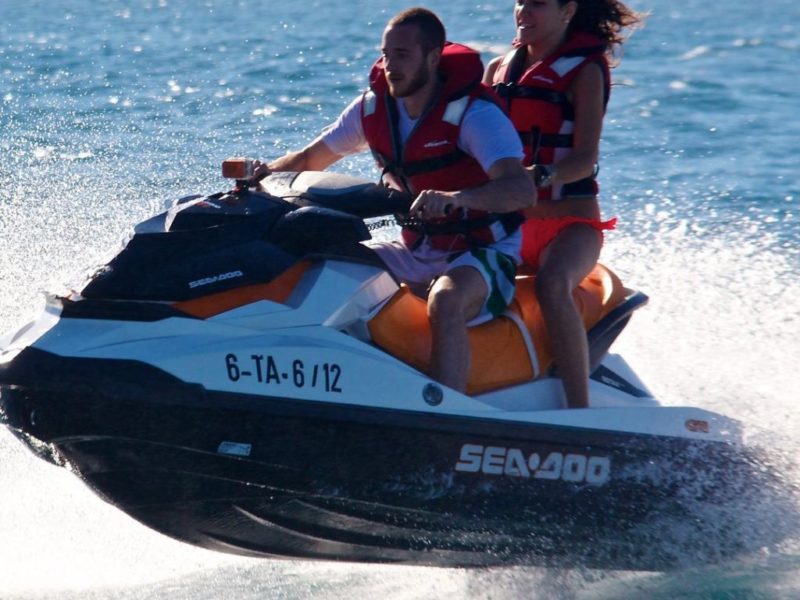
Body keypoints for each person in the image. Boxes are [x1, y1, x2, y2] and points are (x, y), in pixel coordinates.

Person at [250, 7, 535, 393]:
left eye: (402, 55)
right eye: (385, 55)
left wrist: (456, 198)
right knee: (322, 268)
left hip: (483, 252)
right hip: (415, 248)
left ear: (432, 57)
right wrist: (262, 174)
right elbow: (307, 160)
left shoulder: (474, 115)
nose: (390, 66)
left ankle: (443, 410)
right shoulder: (372, 109)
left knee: (445, 301)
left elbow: (521, 190)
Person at [483, 0, 644, 408]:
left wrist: (539, 176)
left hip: (570, 226)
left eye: (537, 4)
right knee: (449, 279)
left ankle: (578, 409)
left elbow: (584, 159)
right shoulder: (496, 70)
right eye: (520, 2)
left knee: (552, 284)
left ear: (567, 11)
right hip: (508, 225)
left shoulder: (585, 70)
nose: (524, 11)